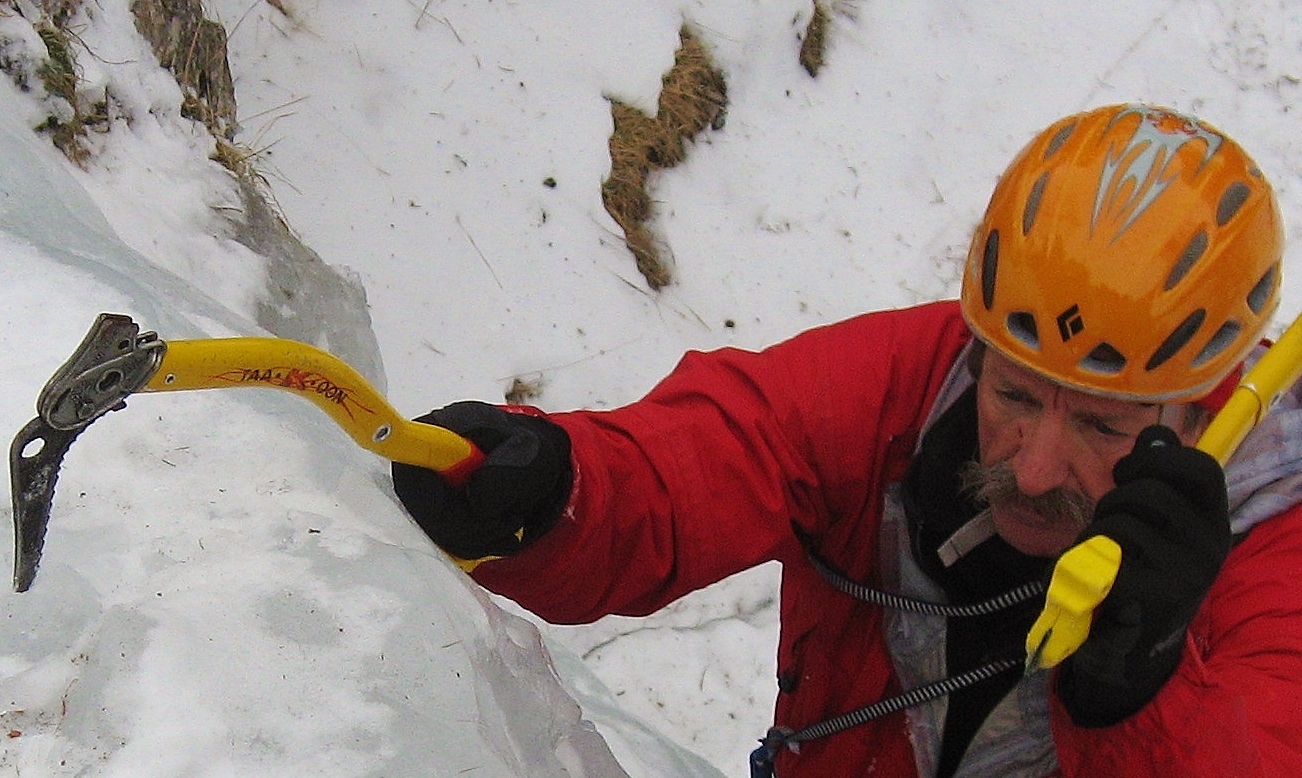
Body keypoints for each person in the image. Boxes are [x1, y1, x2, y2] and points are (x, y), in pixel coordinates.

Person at [392, 104, 1302, 777]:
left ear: (1202, 404)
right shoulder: (909, 383)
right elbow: (716, 452)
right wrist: (554, 490)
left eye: (1103, 423)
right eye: (1014, 394)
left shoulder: (1280, 550)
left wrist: (1141, 695)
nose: (1032, 466)